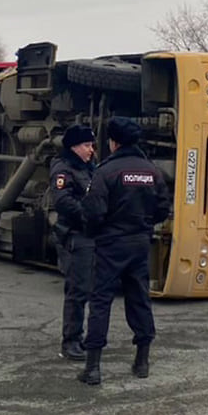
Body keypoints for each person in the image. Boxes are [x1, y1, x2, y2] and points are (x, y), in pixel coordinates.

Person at [77, 117, 173, 386]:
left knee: (100, 302)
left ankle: (93, 368)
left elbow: (93, 211)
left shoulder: (106, 172)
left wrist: (96, 231)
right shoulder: (152, 171)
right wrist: (143, 225)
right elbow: (162, 208)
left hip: (110, 244)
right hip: (140, 243)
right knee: (139, 298)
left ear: (114, 142)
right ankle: (142, 362)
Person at [48, 124, 97, 362]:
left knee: (87, 288)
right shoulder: (63, 168)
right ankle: (71, 341)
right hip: (75, 234)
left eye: (92, 145)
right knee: (77, 290)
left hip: (88, 234)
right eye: (87, 145)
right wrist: (87, 215)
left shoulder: (87, 167)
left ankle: (81, 337)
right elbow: (63, 200)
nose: (91, 150)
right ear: (74, 147)